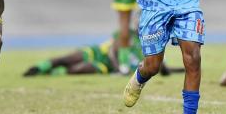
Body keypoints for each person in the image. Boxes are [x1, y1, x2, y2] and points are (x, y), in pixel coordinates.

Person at [22, 29, 184, 77]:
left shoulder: (149, 48)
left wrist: (181, 70)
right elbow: (113, 50)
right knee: (68, 58)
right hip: (98, 53)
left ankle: (52, 73)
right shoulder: (127, 34)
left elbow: (160, 67)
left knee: (78, 69)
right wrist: (119, 67)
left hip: (104, 66)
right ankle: (40, 67)